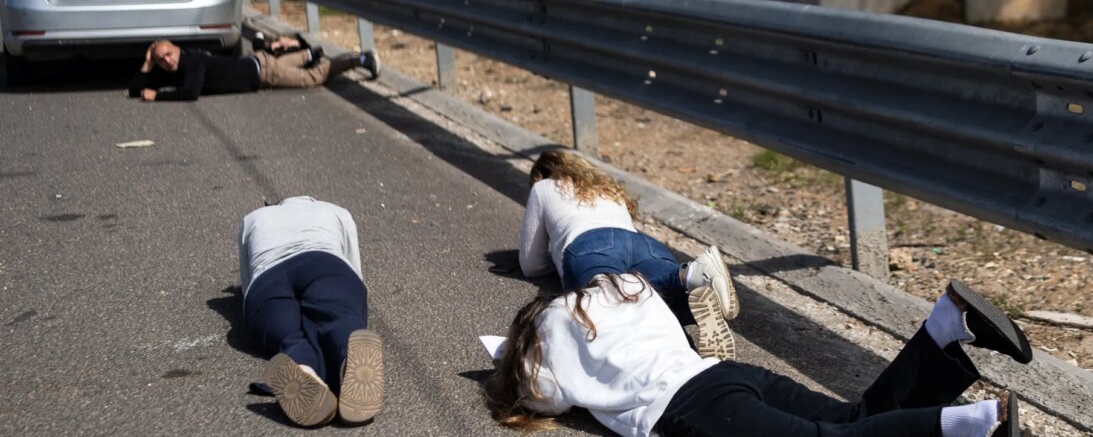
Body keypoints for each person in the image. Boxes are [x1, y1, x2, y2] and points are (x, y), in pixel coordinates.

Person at [485, 273, 1032, 437]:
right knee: (855, 419)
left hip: (690, 406)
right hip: (722, 373)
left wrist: (510, 365)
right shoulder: (624, 286)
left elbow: (546, 398)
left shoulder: (549, 330)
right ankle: (944, 324)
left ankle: (979, 426)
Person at [518, 149, 739, 359]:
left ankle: (682, 357)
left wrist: (559, 260)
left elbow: (531, 264)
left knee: (605, 306)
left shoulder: (543, 187)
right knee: (657, 300)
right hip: (643, 244)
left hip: (589, 243)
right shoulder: (606, 187)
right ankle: (690, 276)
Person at [238, 196, 386, 427]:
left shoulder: (253, 218)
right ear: (312, 201)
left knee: (289, 335)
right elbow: (354, 266)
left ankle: (303, 368)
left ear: (277, 205)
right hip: (325, 263)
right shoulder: (336, 211)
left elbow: (247, 285)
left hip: (268, 277)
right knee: (339, 316)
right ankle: (346, 352)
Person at [128, 35, 380, 102]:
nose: (167, 61)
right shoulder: (172, 65)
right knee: (286, 63)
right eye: (161, 60)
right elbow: (134, 89)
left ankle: (360, 60)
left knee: (313, 77)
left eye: (168, 55)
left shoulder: (192, 63)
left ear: (177, 48)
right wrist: (147, 62)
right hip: (258, 61)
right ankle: (309, 53)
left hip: (264, 74)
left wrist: (158, 95)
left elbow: (191, 92)